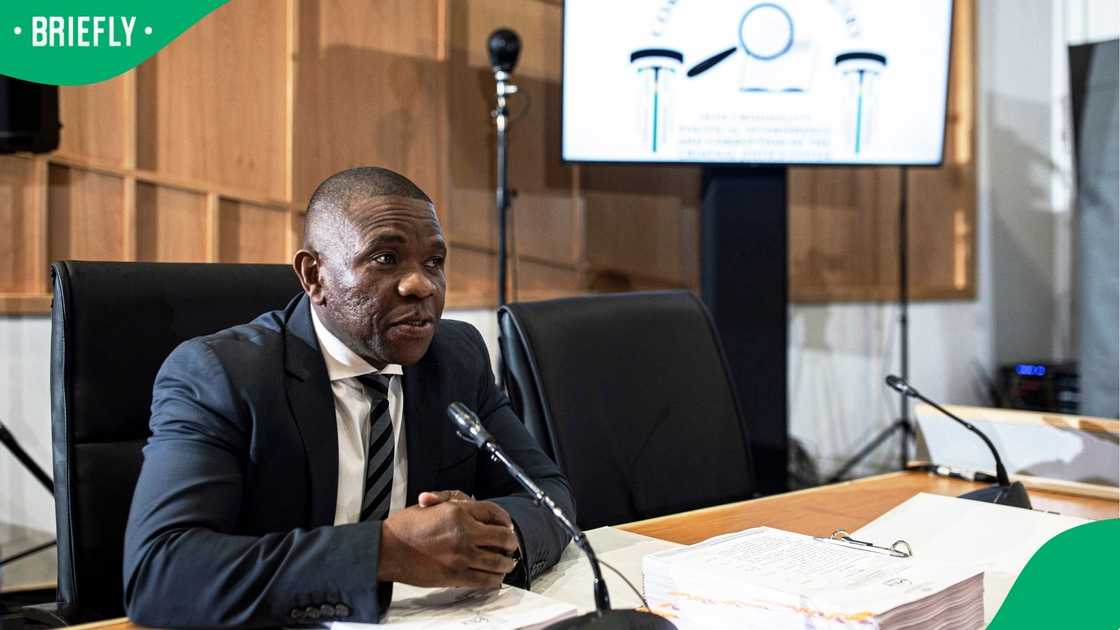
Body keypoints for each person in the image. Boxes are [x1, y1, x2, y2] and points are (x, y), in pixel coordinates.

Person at [122, 167, 575, 627]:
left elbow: (549, 494)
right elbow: (160, 570)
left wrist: (486, 533)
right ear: (314, 275)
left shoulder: (457, 357)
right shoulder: (222, 375)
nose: (422, 285)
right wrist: (384, 552)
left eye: (434, 261)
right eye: (385, 259)